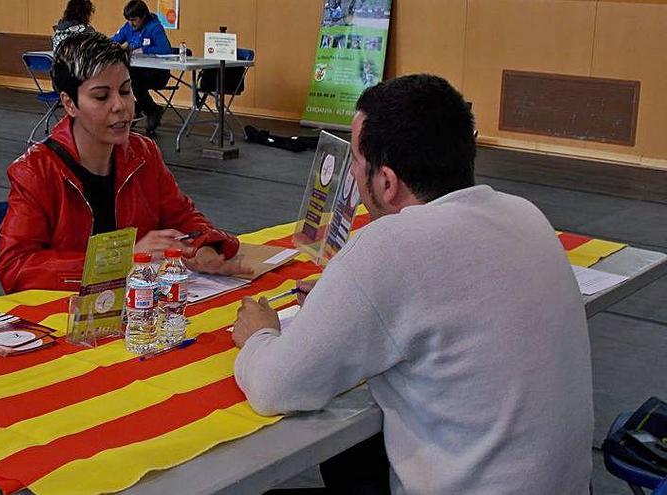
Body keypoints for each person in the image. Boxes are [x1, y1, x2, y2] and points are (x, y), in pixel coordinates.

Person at [232, 74, 593, 494]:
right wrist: (347, 302)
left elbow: (275, 386)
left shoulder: (388, 246)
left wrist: (259, 335)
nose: (353, 171)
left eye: (356, 161)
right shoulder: (524, 214)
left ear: (386, 182)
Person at [0, 32, 247, 294]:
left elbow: (185, 218)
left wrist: (203, 248)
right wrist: (121, 261)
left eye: (126, 90)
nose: (121, 106)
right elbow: (16, 269)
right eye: (101, 97)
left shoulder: (144, 153)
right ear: (69, 103)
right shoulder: (35, 171)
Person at [112, 0, 171, 134]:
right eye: (128, 20)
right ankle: (135, 108)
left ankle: (151, 110)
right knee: (122, 78)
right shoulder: (128, 27)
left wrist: (142, 50)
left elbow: (165, 49)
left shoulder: (155, 28)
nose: (130, 23)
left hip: (157, 74)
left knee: (133, 80)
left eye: (134, 20)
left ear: (143, 17)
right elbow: (115, 40)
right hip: (136, 72)